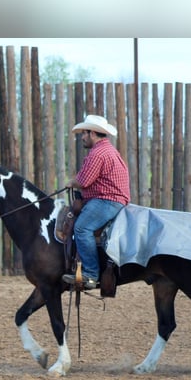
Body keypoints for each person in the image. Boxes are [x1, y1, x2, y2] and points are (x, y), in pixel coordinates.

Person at [62, 114, 130, 290]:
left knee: (82, 228)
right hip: (113, 198)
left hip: (107, 200)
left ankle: (91, 274)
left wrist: (71, 182)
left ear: (93, 133)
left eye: (84, 133)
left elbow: (83, 181)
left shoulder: (97, 153)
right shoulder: (109, 150)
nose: (82, 137)